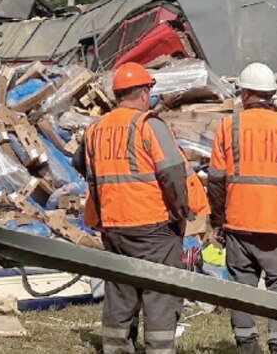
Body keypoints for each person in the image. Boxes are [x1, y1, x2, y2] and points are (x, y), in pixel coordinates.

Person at [74, 62, 193, 354]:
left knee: (120, 291)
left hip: (114, 226)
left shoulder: (95, 130)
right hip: (154, 227)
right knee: (161, 293)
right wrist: (179, 214)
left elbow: (80, 164)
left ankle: (116, 347)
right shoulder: (148, 125)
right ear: (143, 93)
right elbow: (174, 173)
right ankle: (159, 349)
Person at [207, 62, 277, 354]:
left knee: (241, 293)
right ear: (272, 95)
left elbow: (216, 181)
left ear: (245, 94)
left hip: (239, 226)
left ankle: (247, 347)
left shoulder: (228, 127)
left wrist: (217, 222)